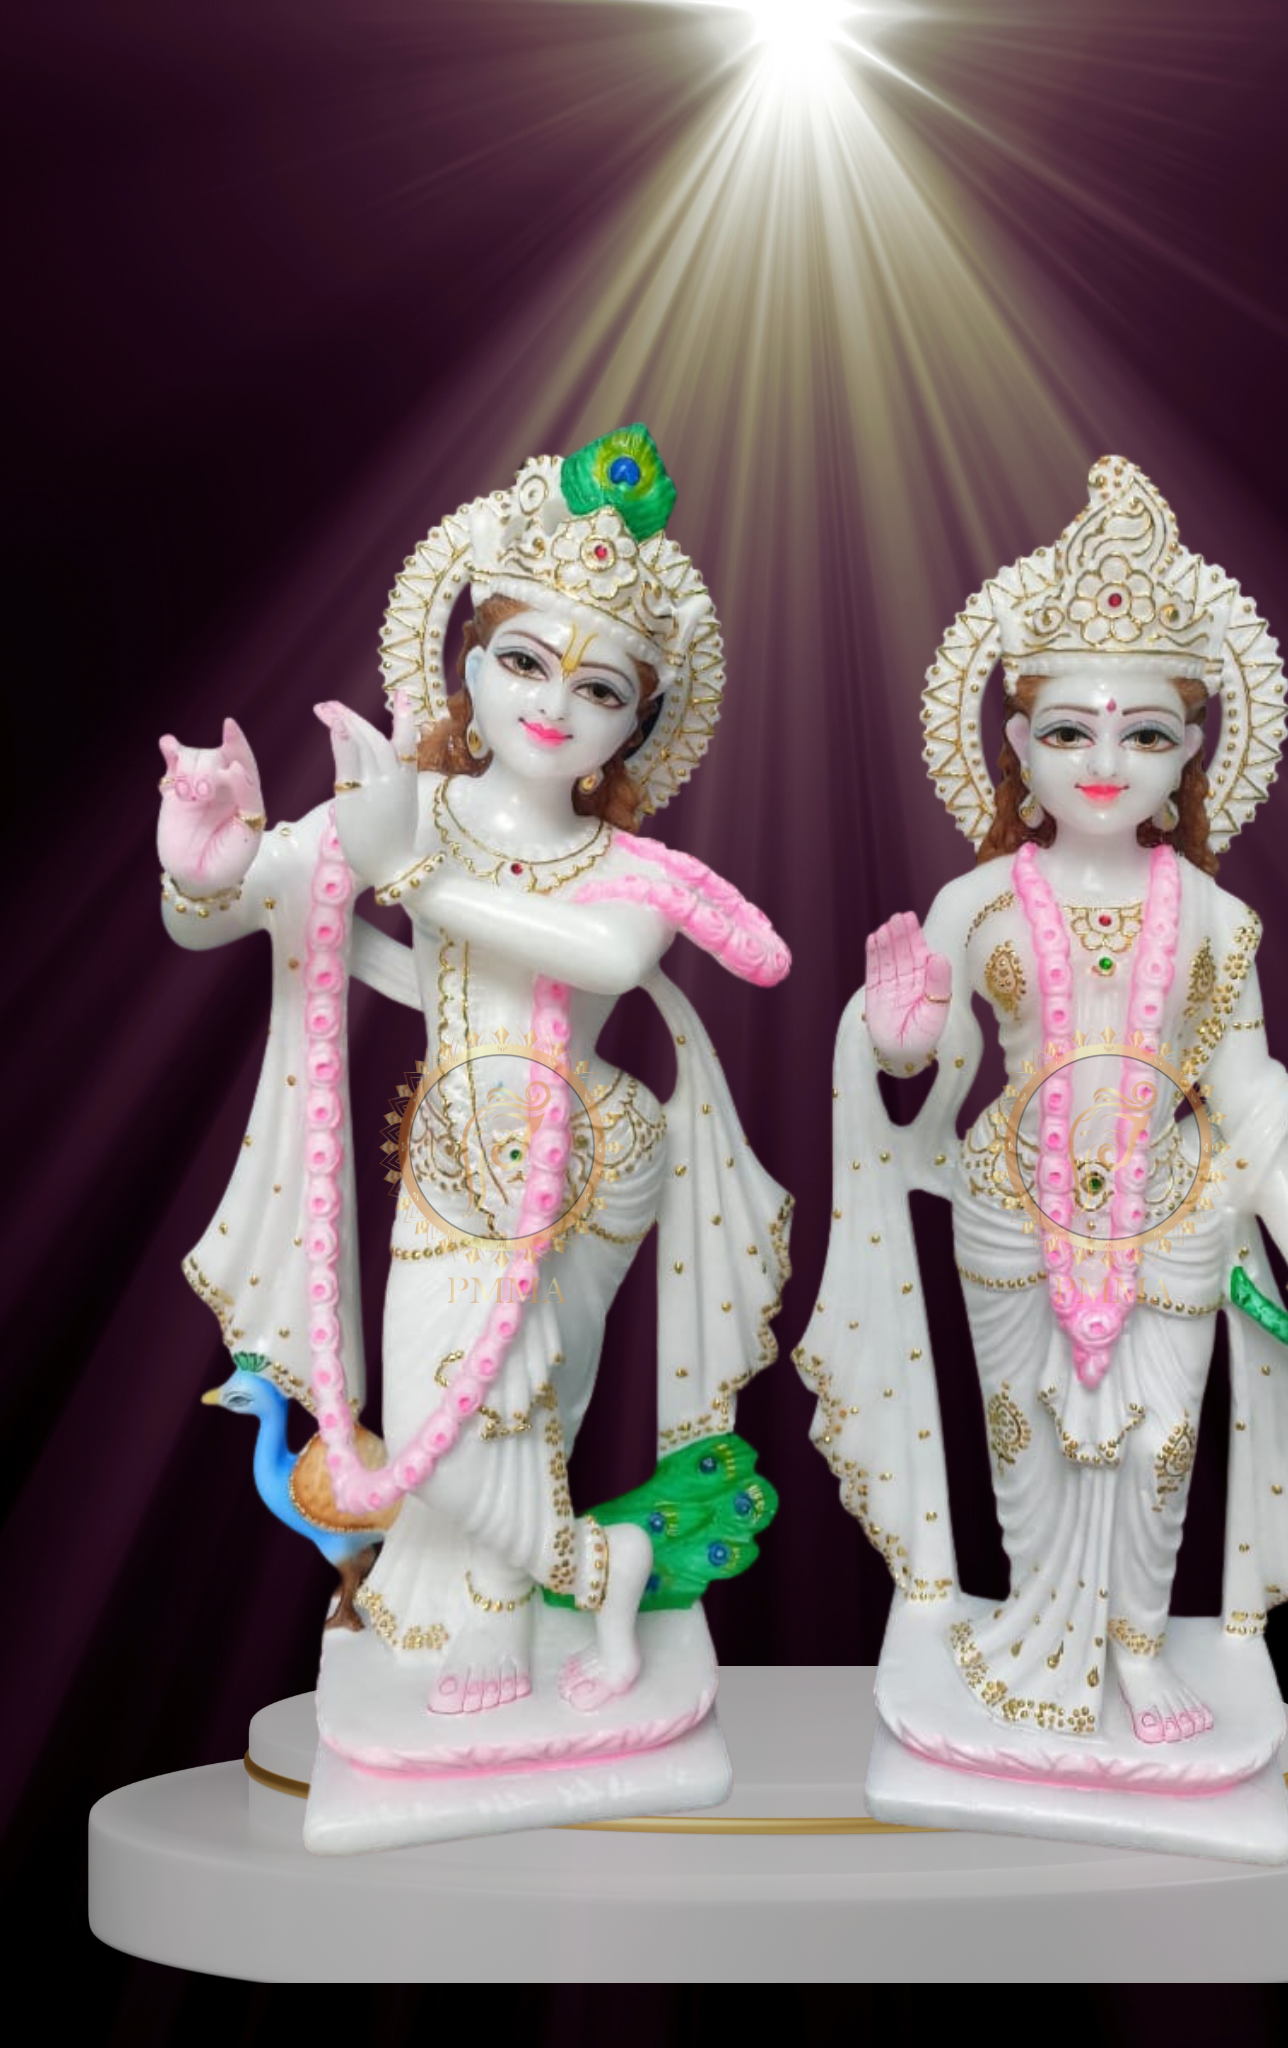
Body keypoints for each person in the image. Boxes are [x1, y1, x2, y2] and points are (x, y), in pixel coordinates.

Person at [159, 426, 790, 1723]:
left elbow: (606, 953)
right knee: (445, 1417)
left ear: (634, 727)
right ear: (467, 665)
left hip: (593, 1155)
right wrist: (202, 865)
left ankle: (503, 1609)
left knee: (524, 1403)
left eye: (600, 688)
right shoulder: (413, 805)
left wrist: (406, 870)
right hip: (454, 1149)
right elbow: (238, 911)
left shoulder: (621, 867)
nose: (553, 702)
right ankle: (592, 1568)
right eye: (523, 661)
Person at [796, 455, 1288, 1749]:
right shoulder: (975, 903)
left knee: (1161, 1444)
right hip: (1011, 1207)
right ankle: (1044, 1625)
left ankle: (1136, 1642)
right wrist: (897, 1035)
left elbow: (1249, 1099)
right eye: (1069, 731)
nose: (1103, 761)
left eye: (1142, 734)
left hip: (1172, 1211)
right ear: (1018, 747)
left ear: (1188, 756)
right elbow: (920, 1055)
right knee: (1025, 1441)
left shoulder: (1214, 918)